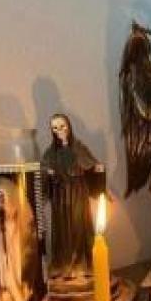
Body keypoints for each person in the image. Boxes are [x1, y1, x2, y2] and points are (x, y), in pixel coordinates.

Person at [41, 114, 102, 278]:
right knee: (62, 230)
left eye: (62, 126)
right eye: (55, 128)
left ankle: (81, 264)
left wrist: (99, 175)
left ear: (69, 126)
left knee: (78, 226)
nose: (59, 130)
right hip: (60, 196)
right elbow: (43, 168)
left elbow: (92, 165)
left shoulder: (79, 147)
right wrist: (48, 172)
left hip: (77, 193)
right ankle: (64, 264)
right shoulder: (51, 151)